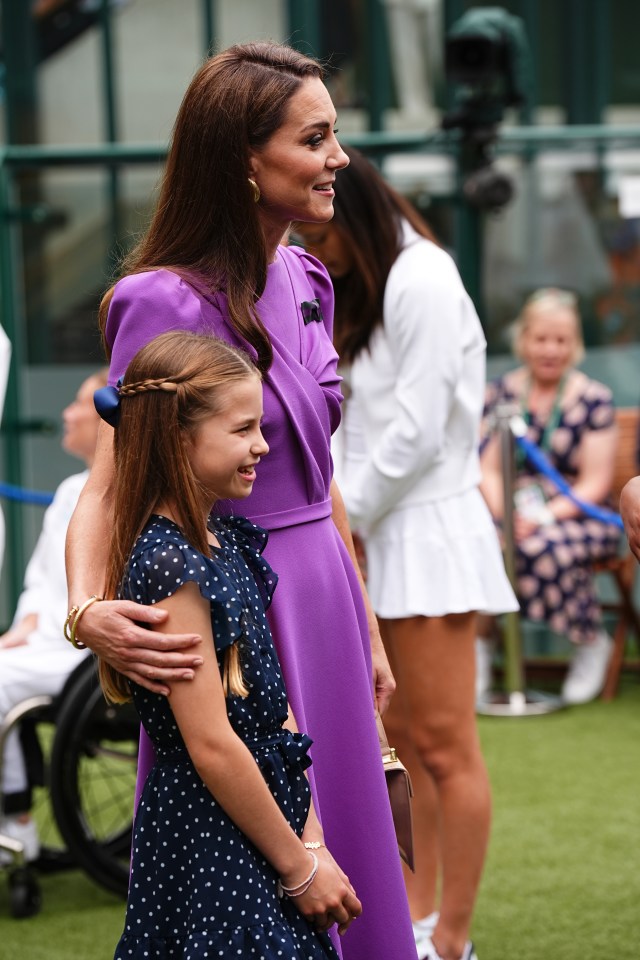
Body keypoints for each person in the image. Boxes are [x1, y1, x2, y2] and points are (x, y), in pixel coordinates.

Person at [64, 41, 416, 960]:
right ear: (244, 160)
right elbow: (110, 479)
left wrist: (366, 624)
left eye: (335, 135)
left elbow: (319, 470)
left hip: (326, 606)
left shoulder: (310, 280)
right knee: (249, 883)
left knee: (354, 858)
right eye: (317, 137)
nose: (341, 157)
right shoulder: (159, 300)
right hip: (229, 617)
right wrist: (85, 609)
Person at [294, 146, 517, 960]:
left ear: (352, 209)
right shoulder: (368, 285)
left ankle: (452, 937)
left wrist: (339, 524)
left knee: (445, 746)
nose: (316, 251)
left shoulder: (422, 277)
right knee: (397, 745)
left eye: (324, 234)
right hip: (372, 536)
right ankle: (416, 920)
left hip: (426, 537)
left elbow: (419, 434)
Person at [91, 331, 360, 959]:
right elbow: (211, 744)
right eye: (242, 430)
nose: (263, 446)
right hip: (214, 835)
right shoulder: (171, 566)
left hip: (274, 818)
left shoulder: (229, 541)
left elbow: (275, 708)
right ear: (179, 439)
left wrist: (312, 839)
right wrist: (299, 868)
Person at [479, 288, 620, 705]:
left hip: (577, 514)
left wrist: (541, 518)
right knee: (481, 544)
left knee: (542, 547)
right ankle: (481, 644)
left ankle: (589, 639)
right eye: (541, 338)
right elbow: (484, 468)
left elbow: (594, 483)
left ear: (574, 344)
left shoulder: (594, 399)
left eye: (561, 340)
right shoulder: (500, 394)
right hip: (508, 511)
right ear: (523, 340)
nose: (550, 349)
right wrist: (509, 516)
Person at [0, 368, 107, 864]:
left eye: (78, 403)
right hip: (47, 639)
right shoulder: (69, 490)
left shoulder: (126, 491)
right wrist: (23, 625)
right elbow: (41, 579)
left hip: (84, 653)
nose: (66, 413)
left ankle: (15, 820)